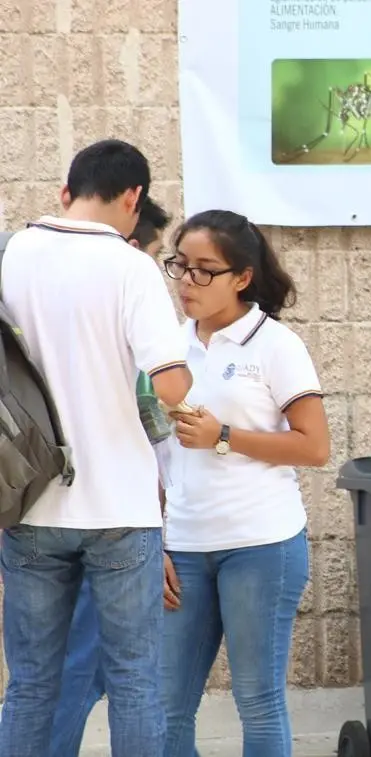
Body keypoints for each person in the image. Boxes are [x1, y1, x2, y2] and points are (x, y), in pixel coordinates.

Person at [0, 139, 192, 756]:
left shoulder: (13, 252)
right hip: (120, 509)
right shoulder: (130, 265)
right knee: (136, 682)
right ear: (134, 197)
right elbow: (168, 384)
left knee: (30, 684)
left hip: (29, 499)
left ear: (66, 191)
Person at [158, 210, 330, 756]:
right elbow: (152, 450)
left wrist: (224, 436)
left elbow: (315, 446)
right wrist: (153, 536)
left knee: (257, 700)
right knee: (167, 707)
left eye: (205, 269)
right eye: (181, 266)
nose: (188, 281)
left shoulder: (276, 345)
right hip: (182, 546)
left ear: (242, 277)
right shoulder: (165, 348)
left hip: (260, 544)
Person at [48, 196, 179, 757]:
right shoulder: (127, 317)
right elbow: (156, 431)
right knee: (92, 674)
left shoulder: (47, 298)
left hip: (48, 513)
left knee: (53, 676)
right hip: (112, 519)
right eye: (155, 255)